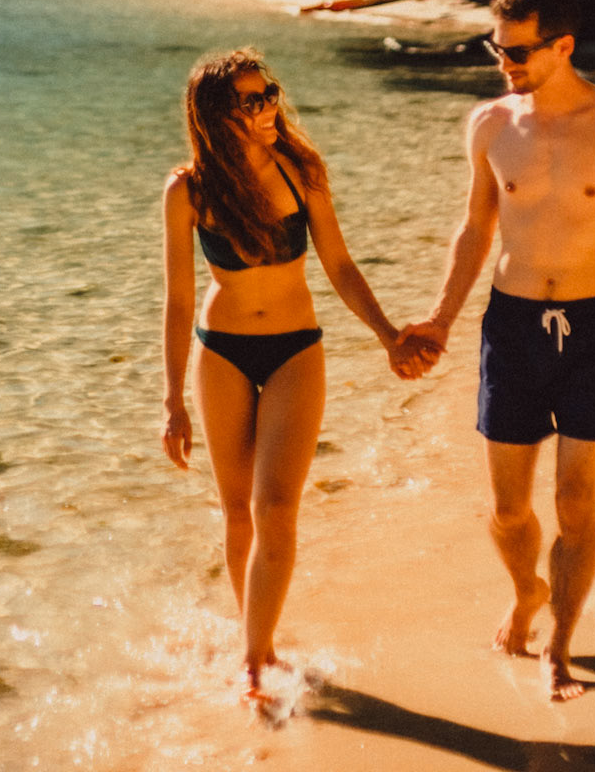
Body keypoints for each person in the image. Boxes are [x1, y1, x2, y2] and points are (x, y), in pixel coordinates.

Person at [400, 0, 595, 701]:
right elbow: (475, 227)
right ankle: (527, 589)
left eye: (518, 51)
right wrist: (440, 319)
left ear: (563, 46)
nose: (505, 63)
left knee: (576, 503)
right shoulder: (490, 124)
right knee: (508, 509)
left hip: (594, 330)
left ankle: (561, 644)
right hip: (513, 327)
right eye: (497, 48)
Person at [159, 47, 428, 703]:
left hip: (294, 351)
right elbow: (179, 300)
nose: (267, 108)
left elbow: (339, 264)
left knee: (275, 510)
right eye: (250, 102)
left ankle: (252, 663)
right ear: (216, 116)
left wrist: (387, 335)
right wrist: (172, 401)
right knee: (237, 514)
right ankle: (262, 641)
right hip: (220, 352)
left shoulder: (301, 170)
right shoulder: (188, 190)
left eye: (270, 93)